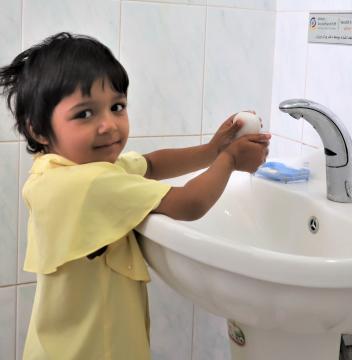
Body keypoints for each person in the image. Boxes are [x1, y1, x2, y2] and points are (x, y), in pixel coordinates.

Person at [0, 32, 270, 360]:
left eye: (117, 107)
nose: (109, 125)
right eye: (85, 114)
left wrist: (213, 149)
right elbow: (189, 204)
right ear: (37, 130)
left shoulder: (57, 171)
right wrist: (230, 161)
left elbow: (151, 164)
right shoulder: (89, 184)